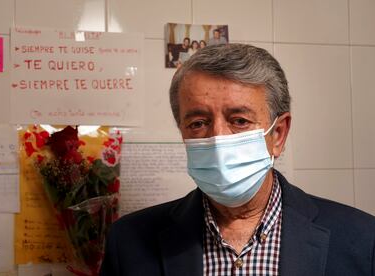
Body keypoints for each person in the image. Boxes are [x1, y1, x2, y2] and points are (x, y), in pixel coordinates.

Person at [101, 44, 375, 275]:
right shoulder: (128, 242)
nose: (218, 138)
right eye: (198, 123)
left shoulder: (361, 239)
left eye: (240, 120)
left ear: (278, 134)